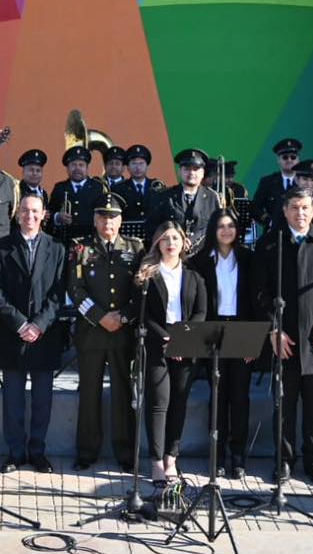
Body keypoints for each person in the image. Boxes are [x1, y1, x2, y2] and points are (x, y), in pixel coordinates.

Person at [250, 186, 313, 486]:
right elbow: (259, 292)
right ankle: (283, 463)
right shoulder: (271, 243)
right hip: (283, 341)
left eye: (305, 207)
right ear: (284, 211)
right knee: (283, 407)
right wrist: (273, 328)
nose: (300, 213)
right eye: (294, 207)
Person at [0, 193, 67, 473]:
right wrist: (21, 324)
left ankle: (37, 452)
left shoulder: (57, 248)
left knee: (43, 400)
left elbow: (59, 293)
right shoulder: (1, 247)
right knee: (13, 401)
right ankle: (15, 452)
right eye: (24, 211)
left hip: (45, 336)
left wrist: (39, 324)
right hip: (14, 334)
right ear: (16, 213)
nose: (29, 216)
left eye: (35, 211)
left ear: (44, 214)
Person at [69, 193, 143, 471]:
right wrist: (100, 318)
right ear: (95, 220)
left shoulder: (135, 248)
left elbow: (140, 290)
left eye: (112, 217)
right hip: (92, 332)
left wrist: (123, 316)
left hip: (123, 333)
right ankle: (87, 451)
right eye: (102, 217)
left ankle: (125, 454)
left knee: (123, 393)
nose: (107, 222)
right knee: (89, 393)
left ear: (120, 220)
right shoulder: (81, 249)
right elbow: (75, 290)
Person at [138, 221, 207, 487]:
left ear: (183, 243)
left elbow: (201, 311)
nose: (171, 243)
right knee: (158, 403)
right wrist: (165, 338)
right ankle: (155, 460)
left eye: (175, 238)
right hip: (157, 345)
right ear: (158, 243)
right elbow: (143, 313)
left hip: (186, 345)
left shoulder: (194, 276)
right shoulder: (148, 274)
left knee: (179, 403)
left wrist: (183, 338)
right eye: (165, 238)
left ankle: (171, 457)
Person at [191, 208, 256, 478]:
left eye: (231, 225)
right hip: (213, 331)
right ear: (213, 230)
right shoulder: (200, 261)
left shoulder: (248, 258)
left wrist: (254, 340)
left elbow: (256, 300)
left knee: (240, 397)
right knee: (217, 396)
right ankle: (216, 456)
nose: (226, 231)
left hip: (242, 330)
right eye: (221, 226)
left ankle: (238, 456)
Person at [150, 148, 221, 246]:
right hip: (173, 253)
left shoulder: (212, 197)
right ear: (179, 171)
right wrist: (175, 239)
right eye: (187, 169)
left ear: (203, 173)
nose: (191, 173)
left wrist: (192, 240)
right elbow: (152, 227)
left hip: (204, 254)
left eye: (196, 169)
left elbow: (218, 227)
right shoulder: (165, 196)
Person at [49, 145, 105, 239]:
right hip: (65, 241)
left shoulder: (98, 187)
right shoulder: (59, 188)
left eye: (81, 165)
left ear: (87, 168)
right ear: (67, 168)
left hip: (90, 240)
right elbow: (49, 213)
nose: (77, 169)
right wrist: (57, 216)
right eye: (73, 165)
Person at [252, 140, 301, 235]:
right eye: (285, 157)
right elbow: (255, 208)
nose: (289, 160)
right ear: (278, 160)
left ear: (298, 160)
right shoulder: (267, 182)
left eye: (293, 157)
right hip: (273, 234)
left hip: (298, 234)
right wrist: (269, 222)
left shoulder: (304, 183)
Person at [116, 144, 166, 223]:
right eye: (134, 163)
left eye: (141, 163)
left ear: (147, 166)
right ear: (128, 167)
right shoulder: (119, 188)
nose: (138, 168)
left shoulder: (157, 186)